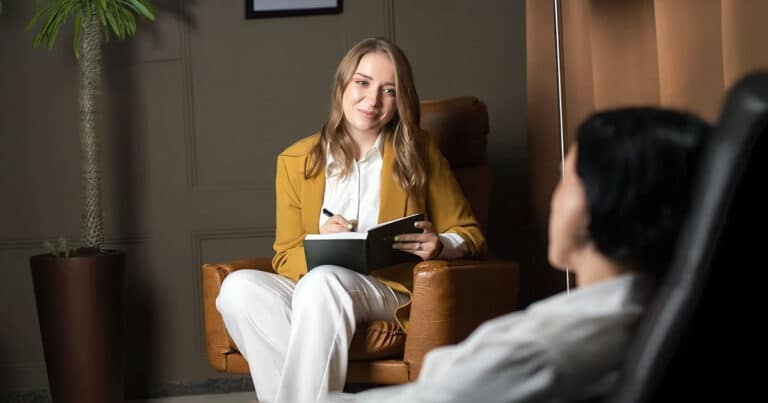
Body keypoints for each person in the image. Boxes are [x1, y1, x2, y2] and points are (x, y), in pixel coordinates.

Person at [325, 107, 710, 402]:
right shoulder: (654, 313)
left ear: (606, 202)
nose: (553, 198)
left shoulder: (545, 349)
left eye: (567, 180)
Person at [215, 37, 485, 403]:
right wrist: (320, 244)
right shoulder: (295, 161)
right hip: (317, 290)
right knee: (237, 288)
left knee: (322, 283)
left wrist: (442, 244)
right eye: (362, 82)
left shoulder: (419, 151)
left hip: (388, 290)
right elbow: (284, 256)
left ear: (400, 100)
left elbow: (468, 232)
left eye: (388, 90)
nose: (372, 100)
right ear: (343, 84)